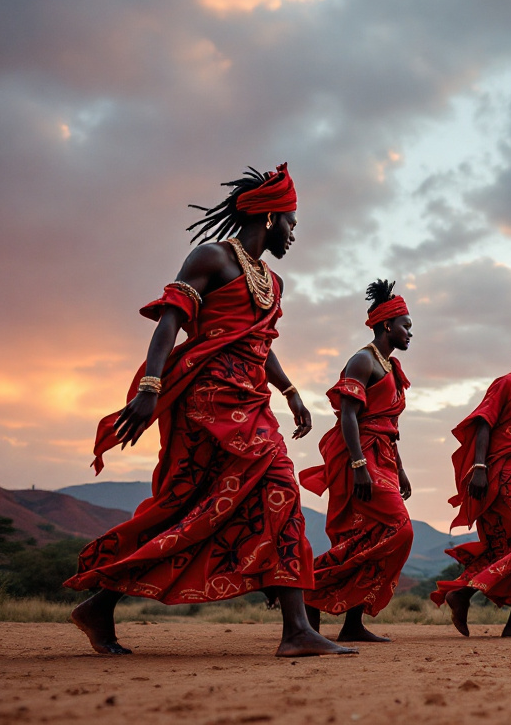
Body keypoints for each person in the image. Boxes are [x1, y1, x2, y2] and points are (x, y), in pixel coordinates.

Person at [65, 164, 353, 657]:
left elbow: (258, 343)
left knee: (202, 510)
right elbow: (171, 322)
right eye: (292, 222)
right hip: (208, 402)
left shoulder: (273, 281)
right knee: (273, 486)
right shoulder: (212, 257)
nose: (293, 233)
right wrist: (150, 388)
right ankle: (296, 630)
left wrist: (289, 392)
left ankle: (100, 605)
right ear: (269, 217)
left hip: (251, 401)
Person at [300, 280, 416, 642]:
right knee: (401, 527)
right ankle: (309, 591)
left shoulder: (393, 369)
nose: (410, 333)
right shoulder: (363, 360)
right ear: (386, 325)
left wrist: (401, 470)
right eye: (405, 326)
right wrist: (358, 465)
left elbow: (390, 426)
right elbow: (348, 416)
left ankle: (352, 624)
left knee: (365, 536)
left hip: (384, 455)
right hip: (359, 456)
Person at [430, 332, 511, 639]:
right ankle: (466, 595)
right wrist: (478, 467)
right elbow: (483, 422)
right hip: (502, 477)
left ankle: (508, 618)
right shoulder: (506, 383)